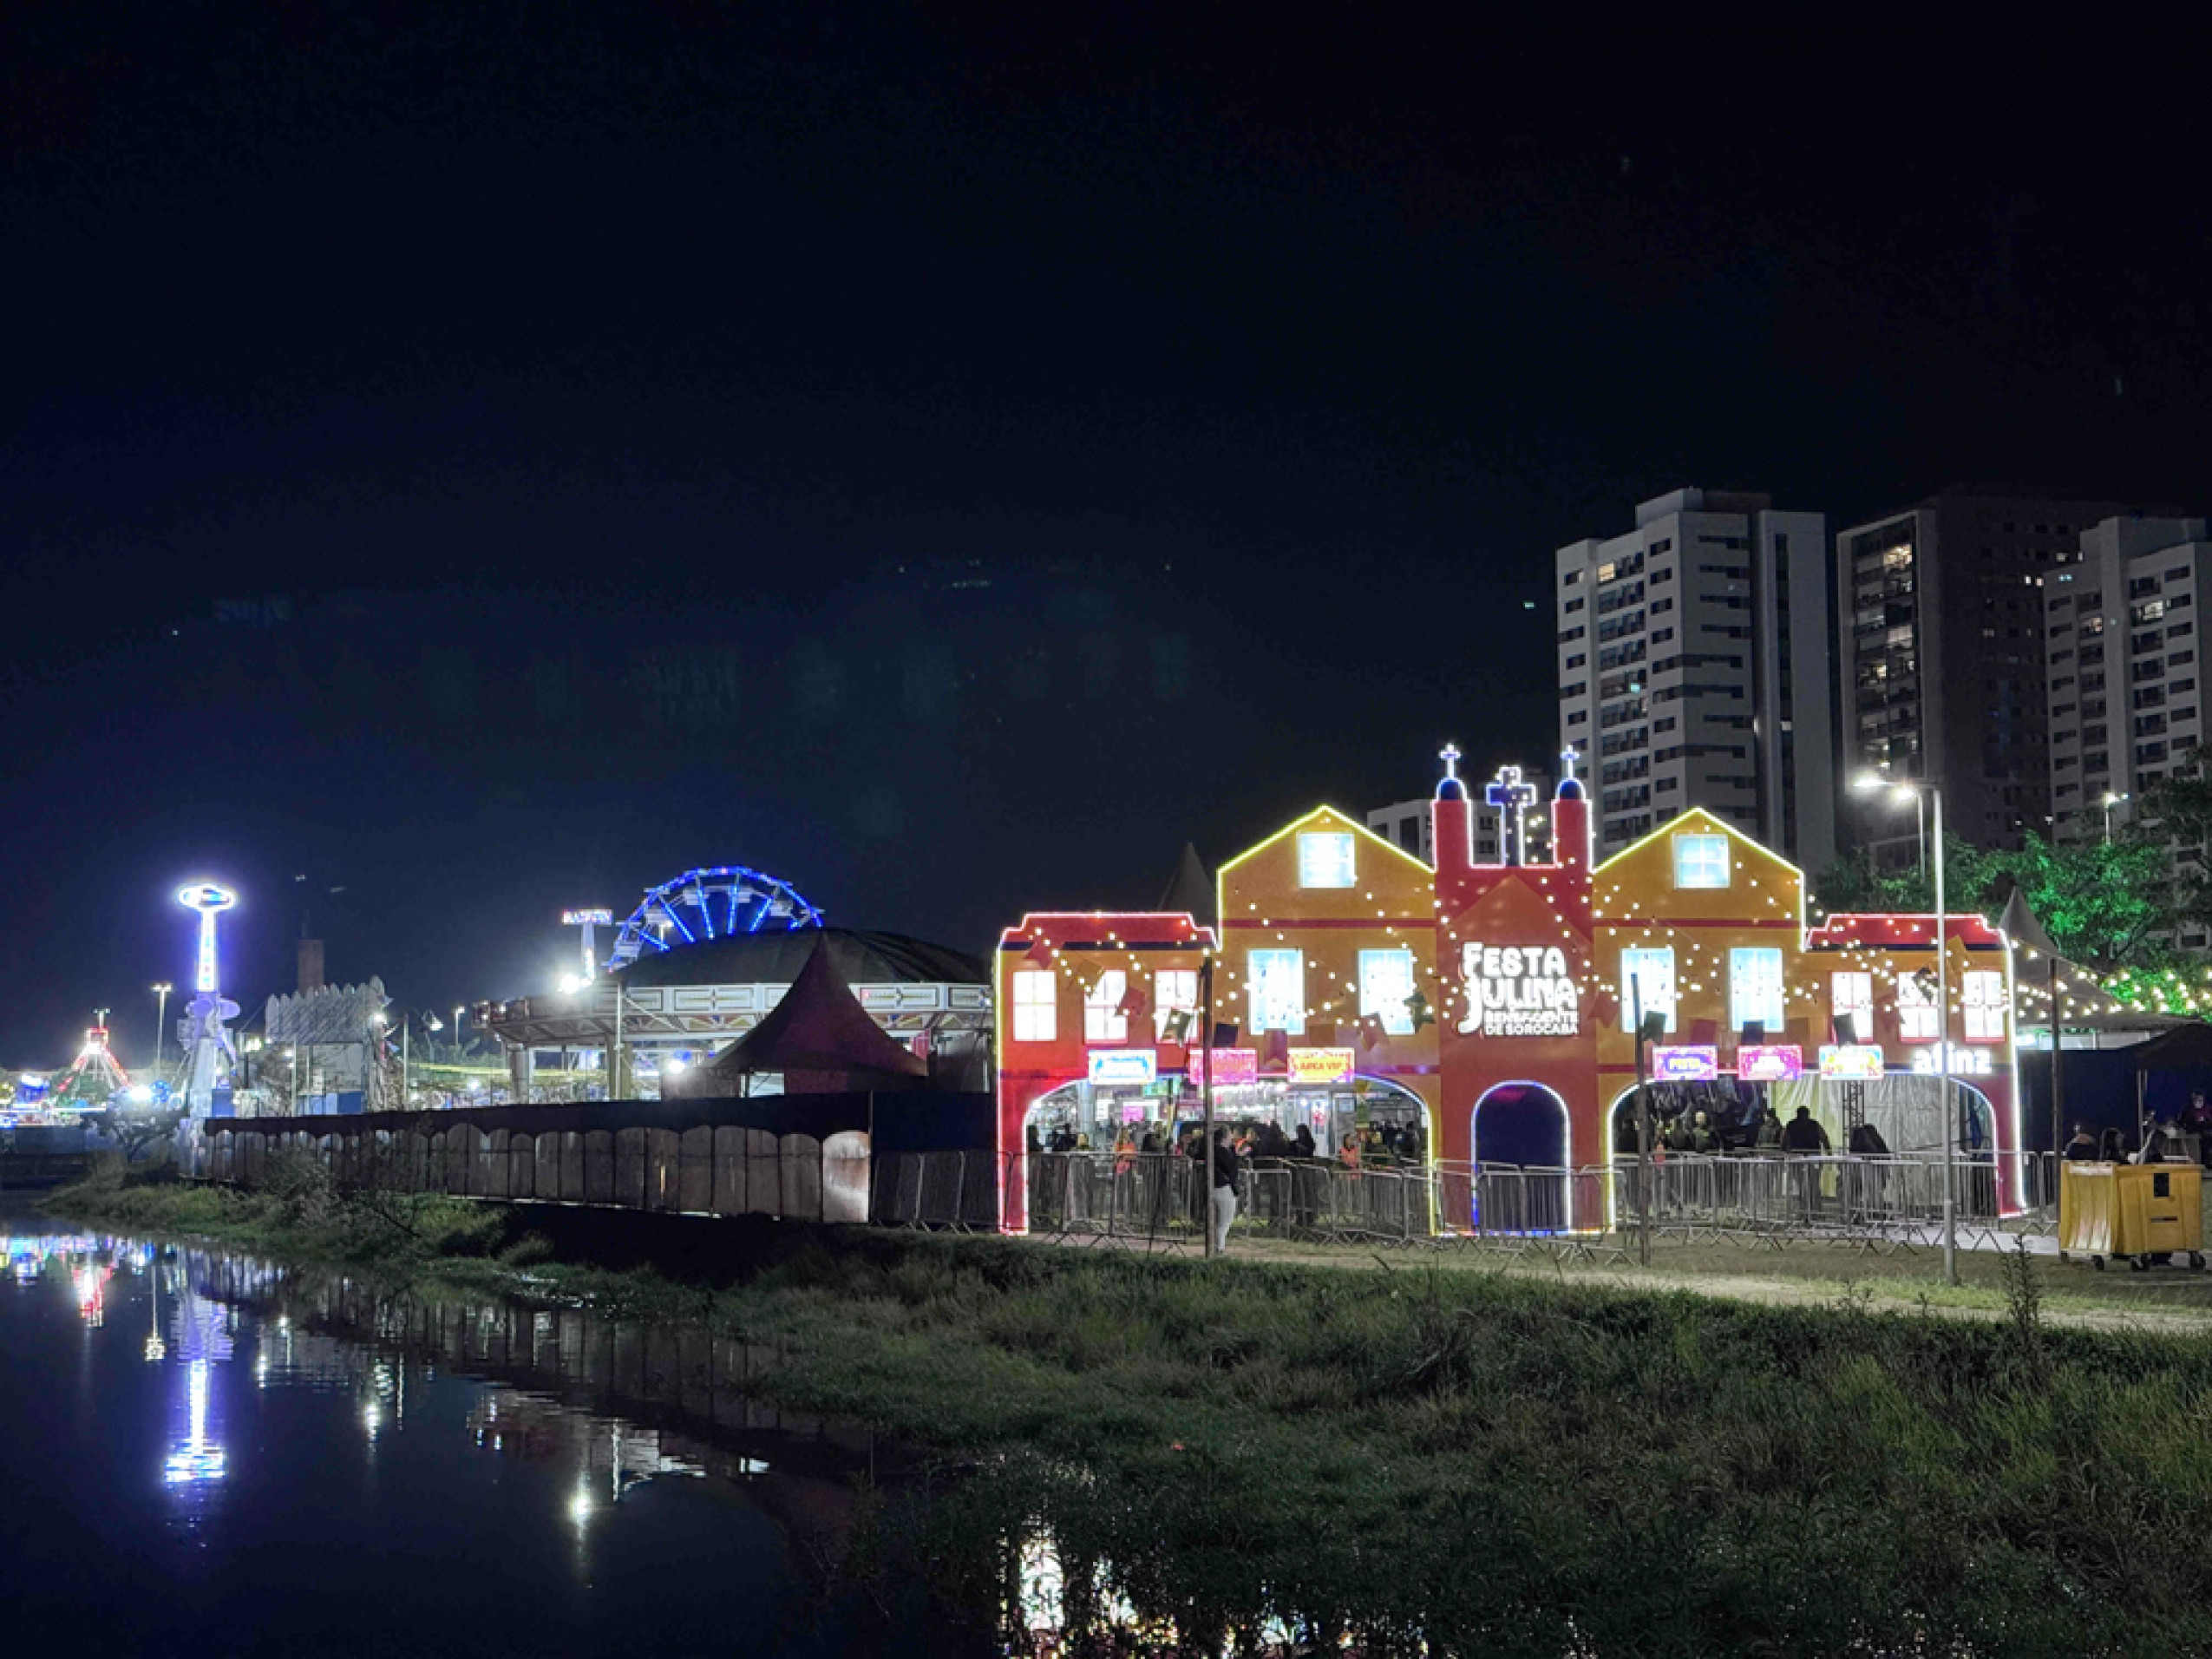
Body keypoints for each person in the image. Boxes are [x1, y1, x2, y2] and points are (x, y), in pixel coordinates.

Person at [1188, 1125, 1240, 1252]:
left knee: (1217, 1220)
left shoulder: (1209, 1150)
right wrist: (1235, 1154)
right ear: (1225, 1137)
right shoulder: (1221, 1151)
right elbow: (1230, 1167)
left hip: (1212, 1187)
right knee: (1225, 1220)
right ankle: (1219, 1247)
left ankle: (1217, 1245)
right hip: (1223, 1187)